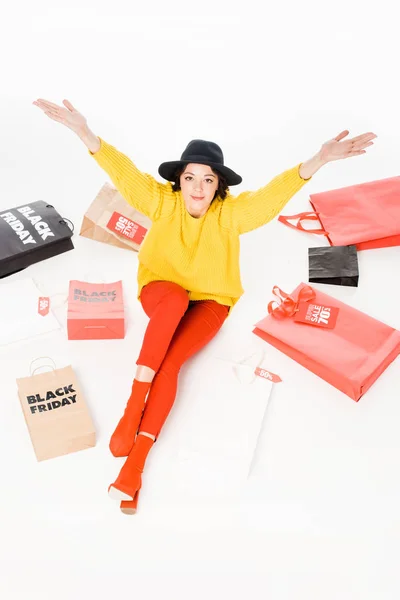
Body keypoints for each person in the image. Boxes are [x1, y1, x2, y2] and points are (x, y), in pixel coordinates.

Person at [33, 98, 376, 514]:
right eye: (190, 177)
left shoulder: (229, 216)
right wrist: (84, 132)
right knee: (175, 299)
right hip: (161, 291)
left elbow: (269, 199)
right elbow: (121, 171)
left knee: (174, 361)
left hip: (213, 299)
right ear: (179, 180)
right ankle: (133, 406)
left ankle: (135, 467)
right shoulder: (161, 202)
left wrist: (318, 159)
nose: (197, 187)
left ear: (218, 187)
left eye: (208, 180)